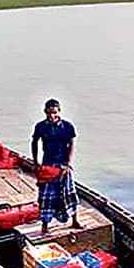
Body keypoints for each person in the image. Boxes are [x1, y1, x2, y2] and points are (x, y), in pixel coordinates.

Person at [32, 99, 80, 234]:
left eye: (54, 113)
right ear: (45, 112)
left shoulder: (67, 127)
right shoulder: (40, 126)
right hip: (48, 164)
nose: (51, 116)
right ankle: (45, 226)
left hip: (63, 165)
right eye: (48, 113)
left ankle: (75, 220)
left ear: (59, 111)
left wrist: (68, 165)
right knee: (46, 196)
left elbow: (71, 145)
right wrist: (35, 162)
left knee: (69, 193)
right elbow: (34, 142)